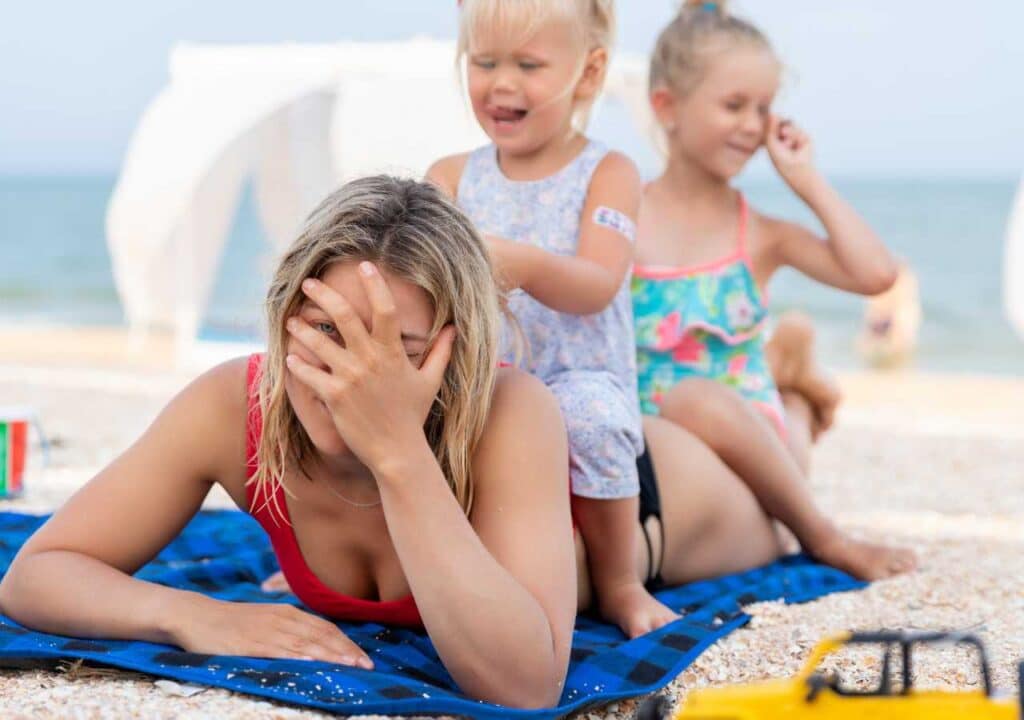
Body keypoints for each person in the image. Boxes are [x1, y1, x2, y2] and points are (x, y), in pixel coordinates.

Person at [0, 177, 579, 709]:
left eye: (396, 352)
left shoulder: (509, 412)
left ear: (456, 354)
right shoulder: (237, 405)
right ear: (283, 317)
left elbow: (528, 686)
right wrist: (190, 615)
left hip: (635, 519)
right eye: (327, 331)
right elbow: (37, 575)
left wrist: (398, 451)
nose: (349, 376)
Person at [631, 1, 917, 578]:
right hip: (665, 455)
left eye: (762, 108)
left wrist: (805, 180)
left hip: (762, 473)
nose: (751, 124)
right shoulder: (620, 214)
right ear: (666, 106)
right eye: (734, 105)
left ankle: (823, 530)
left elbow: (876, 275)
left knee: (695, 399)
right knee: (667, 413)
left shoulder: (758, 233)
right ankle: (796, 386)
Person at [427, 0, 679, 638]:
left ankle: (620, 583)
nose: (501, 82)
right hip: (479, 383)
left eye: (528, 65)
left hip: (575, 380)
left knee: (595, 420)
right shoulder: (452, 177)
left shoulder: (609, 173)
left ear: (588, 74)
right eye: (484, 62)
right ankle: (332, 553)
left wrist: (525, 264)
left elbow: (598, 282)